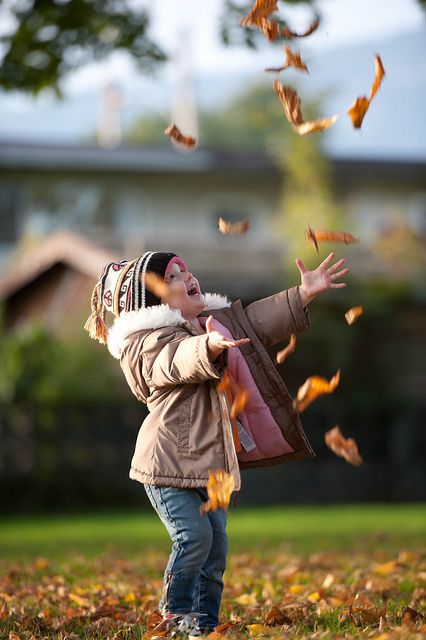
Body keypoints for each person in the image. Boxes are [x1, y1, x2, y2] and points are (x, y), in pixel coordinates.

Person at [84, 250, 348, 638]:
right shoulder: (147, 342)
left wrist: (301, 295)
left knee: (216, 548)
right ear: (153, 300)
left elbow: (256, 322)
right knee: (194, 537)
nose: (187, 276)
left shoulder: (212, 324)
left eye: (185, 269)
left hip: (212, 469)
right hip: (167, 466)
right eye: (172, 276)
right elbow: (174, 361)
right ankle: (175, 615)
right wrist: (206, 346)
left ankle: (205, 624)